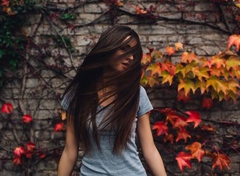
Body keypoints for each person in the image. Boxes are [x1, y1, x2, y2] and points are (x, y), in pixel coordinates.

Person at [57, 26, 166, 176]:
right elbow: (70, 152)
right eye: (124, 49)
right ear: (108, 48)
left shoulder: (137, 94)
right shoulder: (77, 95)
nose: (131, 58)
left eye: (134, 53)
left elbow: (150, 150)